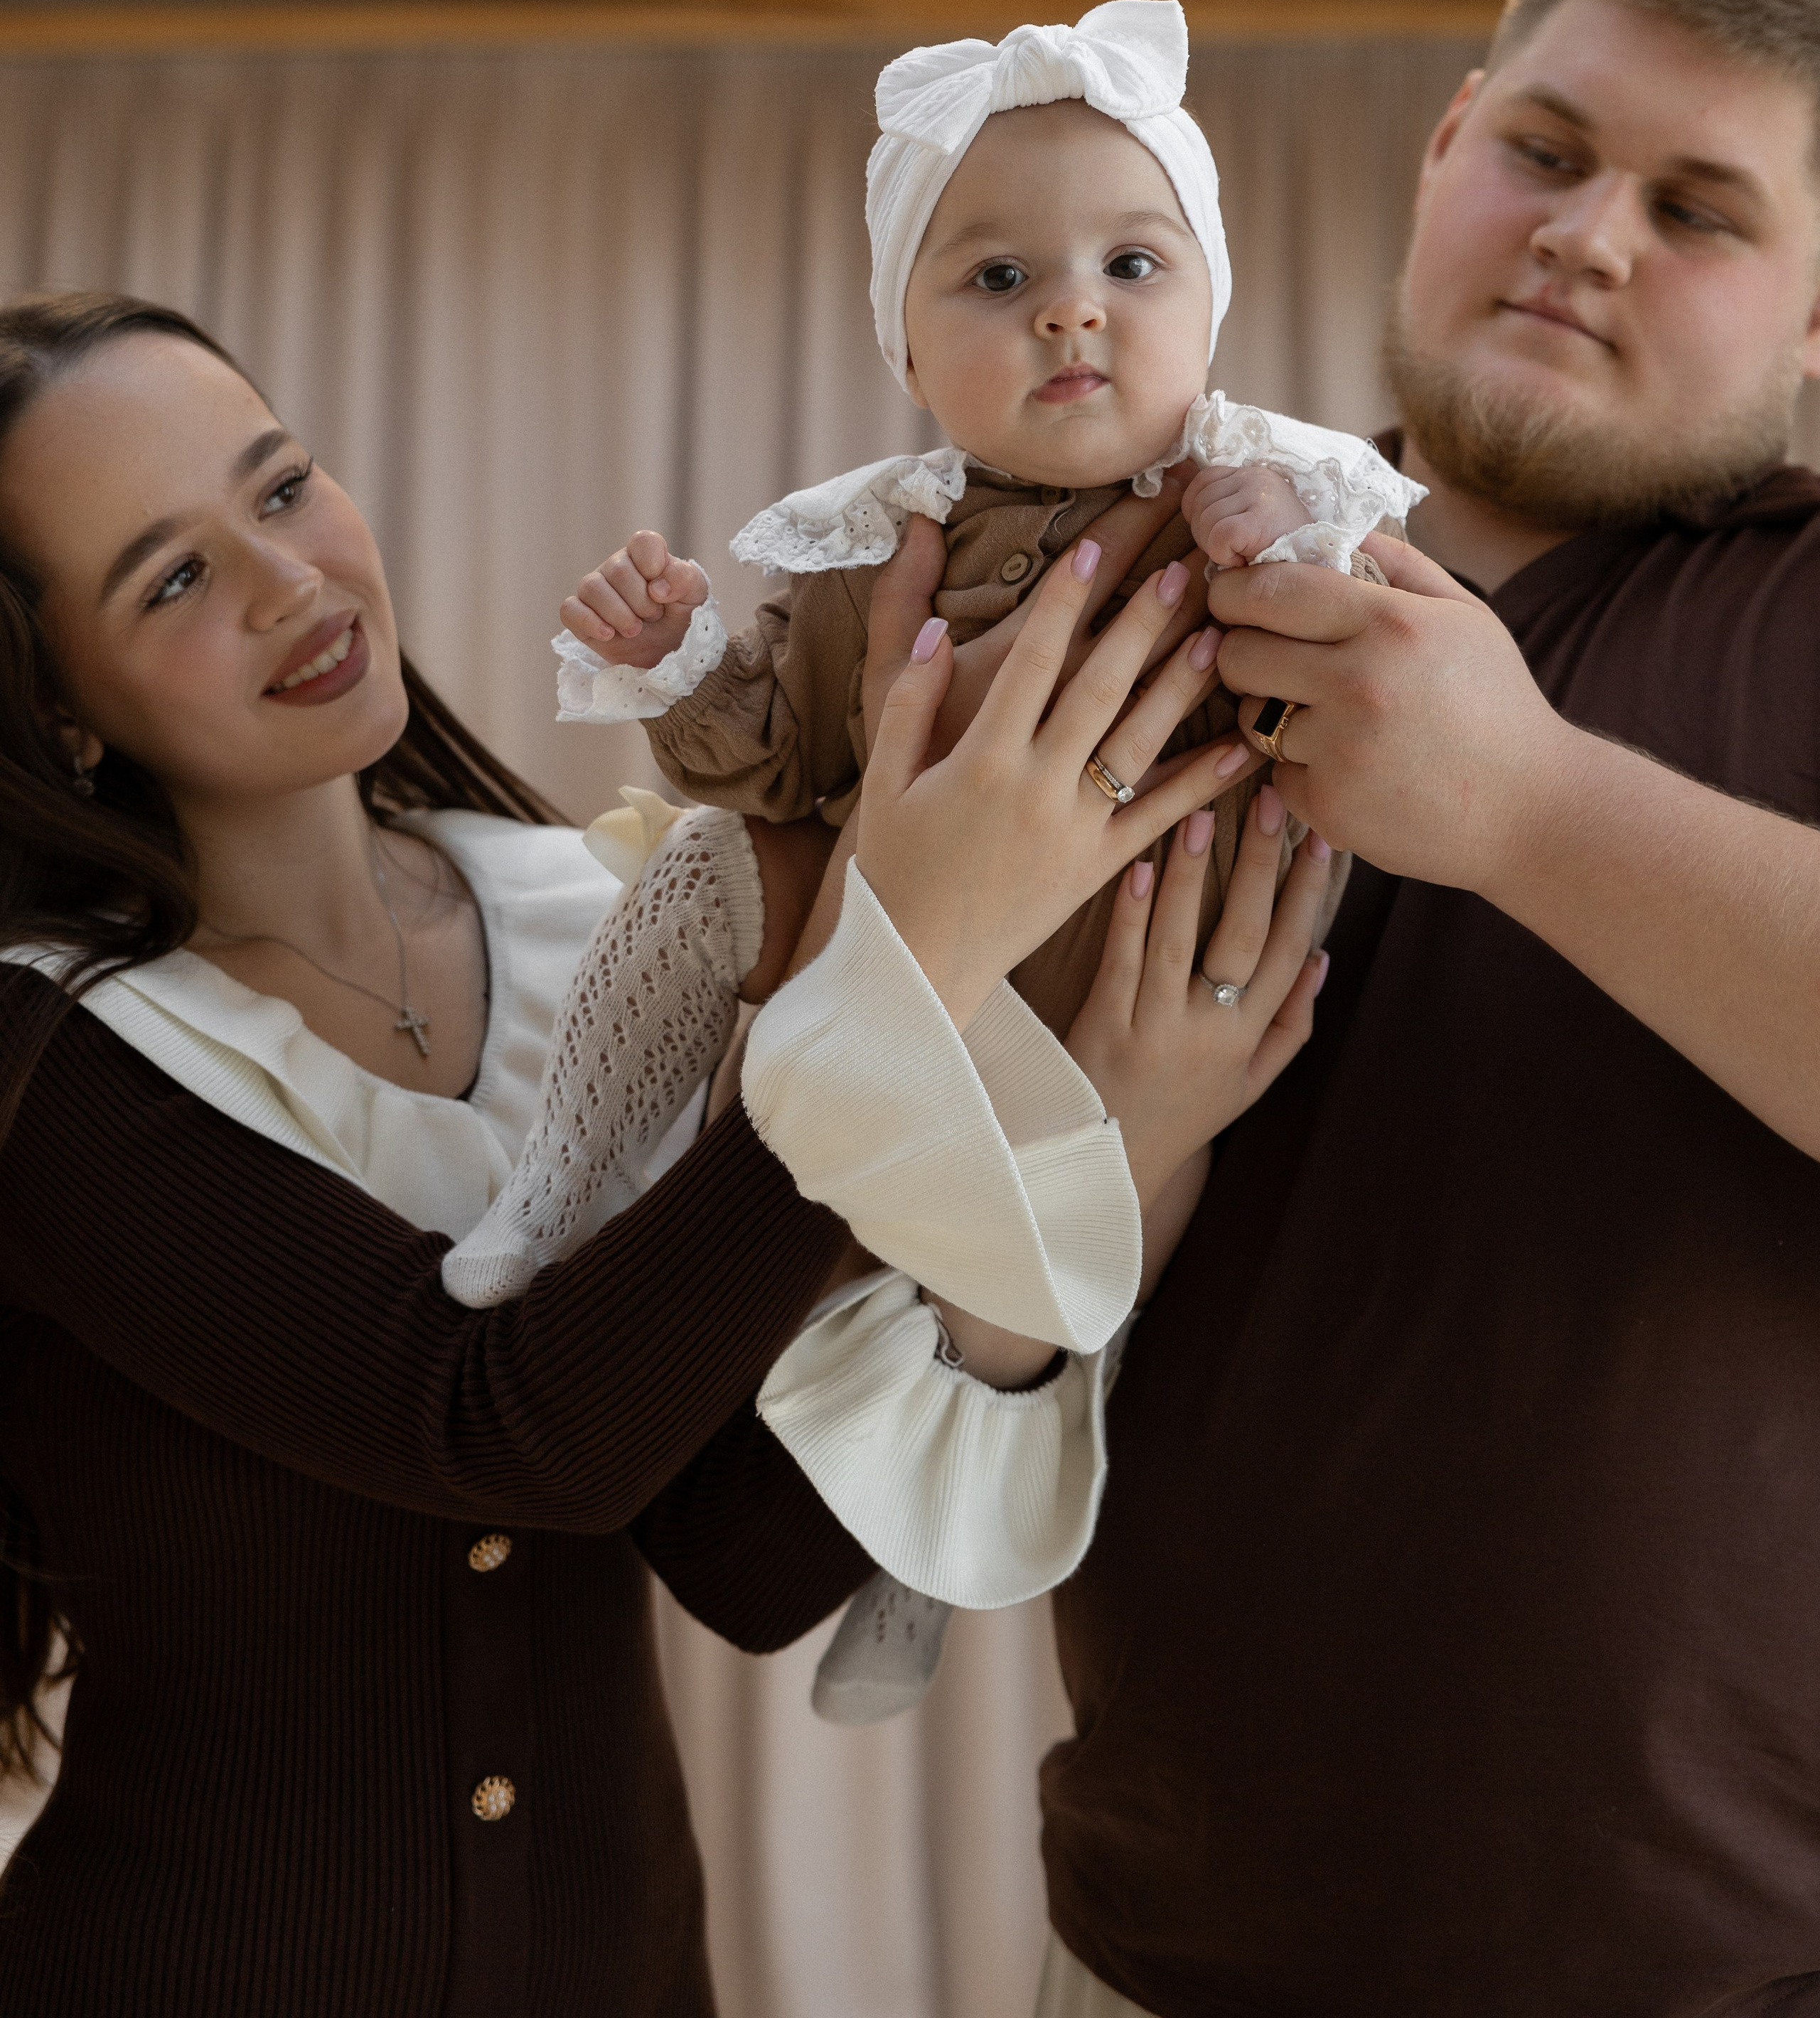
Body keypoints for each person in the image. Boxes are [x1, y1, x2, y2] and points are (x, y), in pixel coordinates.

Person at [0, 290, 1324, 2017]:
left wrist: (1112, 1152)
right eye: (168, 578)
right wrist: (885, 978)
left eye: (280, 486)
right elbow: (498, 1427)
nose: (289, 581)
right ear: (57, 711)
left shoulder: (589, 924)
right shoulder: (52, 1055)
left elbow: (740, 1554)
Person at [966, 0, 1820, 2018]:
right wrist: (1103, 1148)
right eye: (1545, 150)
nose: (1587, 235)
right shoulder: (1126, 585)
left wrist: (1524, 805)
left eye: (1700, 208)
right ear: (1446, 148)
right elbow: (978, 1344)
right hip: (1158, 1950)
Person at [552, 0, 1418, 1038]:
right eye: (1000, 277)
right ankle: (556, 1192)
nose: (1072, 310)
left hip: (1201, 1014)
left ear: (1211, 306)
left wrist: (1295, 551)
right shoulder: (875, 550)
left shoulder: (1286, 489)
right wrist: (670, 662)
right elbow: (780, 768)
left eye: (1131, 265)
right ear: (906, 352)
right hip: (931, 1036)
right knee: (696, 875)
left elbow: (1390, 698)